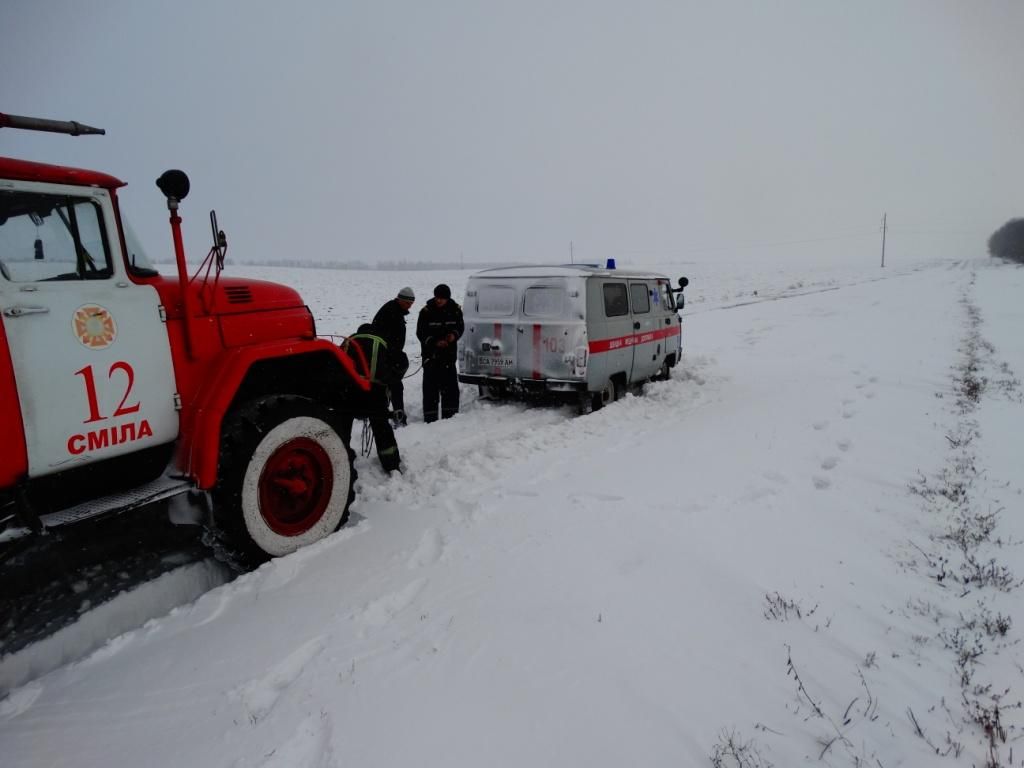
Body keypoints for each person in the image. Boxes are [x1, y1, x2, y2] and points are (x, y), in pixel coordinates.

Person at [338, 323, 403, 474]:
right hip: (374, 392)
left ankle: (339, 462)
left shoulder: (348, 341)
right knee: (381, 428)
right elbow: (393, 367)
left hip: (347, 392)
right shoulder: (381, 342)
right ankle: (391, 464)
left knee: (342, 428)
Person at [417, 283, 464, 422]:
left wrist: (453, 335)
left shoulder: (455, 310)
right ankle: (430, 418)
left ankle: (450, 417)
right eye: (437, 297)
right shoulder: (426, 312)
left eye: (442, 298)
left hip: (448, 357)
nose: (439, 300)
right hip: (431, 357)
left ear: (447, 298)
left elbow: (460, 326)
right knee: (430, 389)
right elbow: (421, 332)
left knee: (450, 389)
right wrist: (434, 342)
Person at [372, 287, 415, 426]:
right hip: (385, 356)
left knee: (391, 385)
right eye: (408, 303)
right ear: (401, 299)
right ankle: (397, 416)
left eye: (411, 303)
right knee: (395, 385)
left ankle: (388, 413)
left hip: (387, 355)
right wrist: (392, 355)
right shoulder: (392, 312)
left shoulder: (394, 309)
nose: (410, 306)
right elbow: (384, 335)